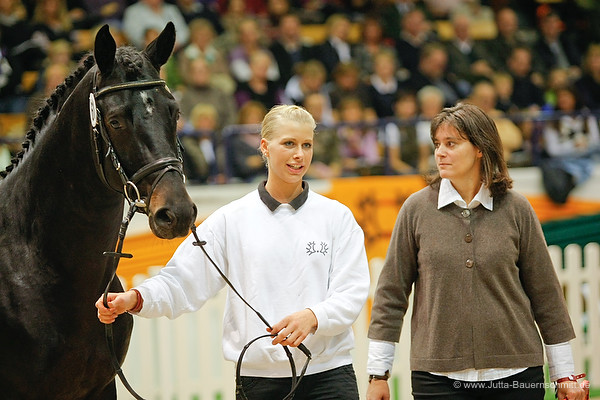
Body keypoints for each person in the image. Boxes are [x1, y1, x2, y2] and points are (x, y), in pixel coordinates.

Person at [96, 104, 370, 400]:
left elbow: (352, 292)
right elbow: (181, 281)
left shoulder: (337, 217)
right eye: (289, 143)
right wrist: (135, 298)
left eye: (307, 145)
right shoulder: (230, 220)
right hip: (258, 383)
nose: (299, 154)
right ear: (265, 147)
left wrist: (314, 316)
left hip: (330, 378)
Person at [366, 102, 586, 400]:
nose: (440, 152)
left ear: (480, 148)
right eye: (437, 144)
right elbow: (390, 296)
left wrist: (566, 374)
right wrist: (378, 374)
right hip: (437, 380)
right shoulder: (415, 210)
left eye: (451, 144)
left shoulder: (517, 208)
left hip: (518, 375)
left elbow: (546, 295)